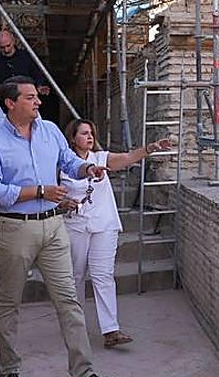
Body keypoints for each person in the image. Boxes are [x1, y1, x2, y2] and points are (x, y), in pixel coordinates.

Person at [0, 75, 116, 377]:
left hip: (54, 227)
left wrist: (87, 170)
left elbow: (68, 162)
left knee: (68, 300)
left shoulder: (51, 130)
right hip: (15, 229)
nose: (38, 102)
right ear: (10, 103)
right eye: (29, 98)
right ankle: (9, 371)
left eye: (37, 97)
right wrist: (39, 191)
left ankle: (83, 376)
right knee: (9, 303)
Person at [60, 119, 174, 348]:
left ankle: (111, 330)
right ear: (73, 138)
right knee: (76, 276)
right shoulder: (62, 163)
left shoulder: (101, 158)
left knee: (103, 275)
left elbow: (128, 158)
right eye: (84, 134)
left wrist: (150, 148)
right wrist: (63, 202)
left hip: (104, 224)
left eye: (91, 133)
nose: (89, 137)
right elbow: (54, 192)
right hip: (75, 224)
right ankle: (75, 327)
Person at [0, 31, 50, 119]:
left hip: (25, 100)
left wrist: (39, 86)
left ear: (13, 42)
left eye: (8, 46)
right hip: (3, 103)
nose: (6, 50)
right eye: (2, 47)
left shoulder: (26, 57)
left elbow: (37, 74)